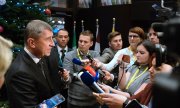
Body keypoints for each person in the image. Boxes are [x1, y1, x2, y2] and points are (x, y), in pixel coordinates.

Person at [5, 20, 68, 108]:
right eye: (47, 39)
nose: (53, 44)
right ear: (32, 43)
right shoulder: (20, 73)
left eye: (52, 38)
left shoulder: (41, 56)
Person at [93, 42, 173, 108]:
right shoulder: (134, 67)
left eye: (141, 53)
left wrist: (112, 92)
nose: (137, 55)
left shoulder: (152, 79)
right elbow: (124, 88)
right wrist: (122, 67)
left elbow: (131, 98)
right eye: (137, 52)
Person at [63, 30, 100, 108]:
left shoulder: (95, 54)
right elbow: (69, 78)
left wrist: (94, 67)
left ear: (91, 43)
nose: (82, 44)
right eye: (80, 41)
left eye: (85, 42)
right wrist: (66, 77)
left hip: (93, 101)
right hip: (75, 101)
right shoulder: (69, 56)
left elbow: (97, 76)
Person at [47, 28, 71, 108]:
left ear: (68, 38)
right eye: (60, 37)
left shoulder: (73, 52)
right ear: (56, 38)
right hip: (54, 91)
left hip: (70, 92)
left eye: (65, 37)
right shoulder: (49, 52)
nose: (63, 39)